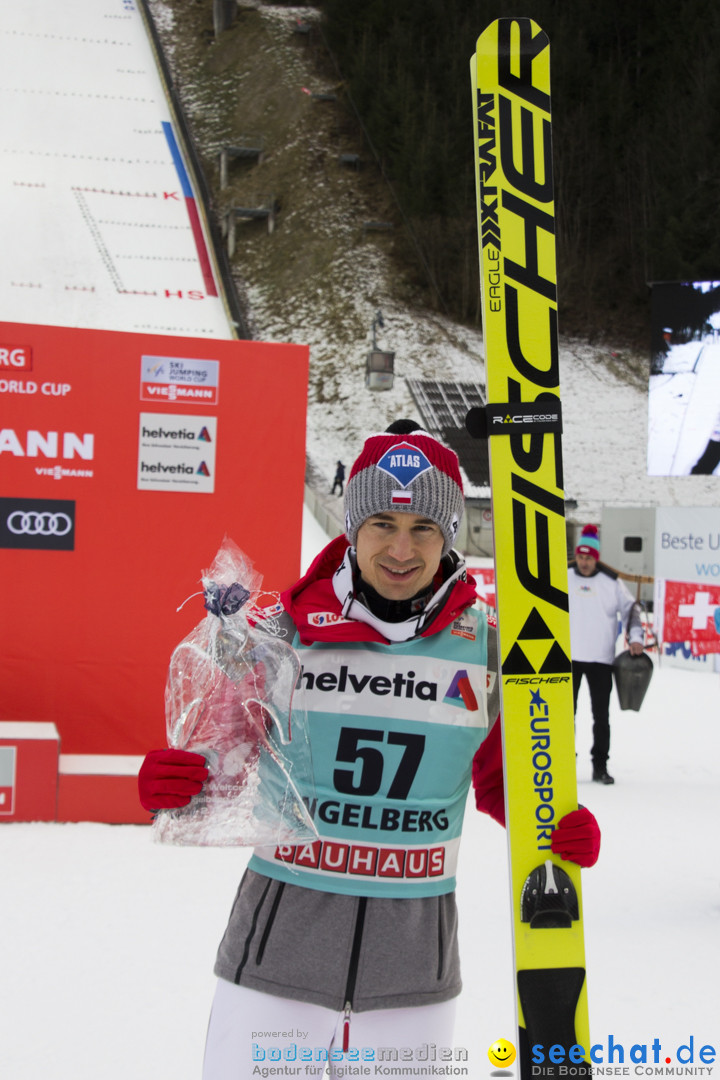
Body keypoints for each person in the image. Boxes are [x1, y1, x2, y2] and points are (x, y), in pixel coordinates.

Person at [139, 421, 601, 1079]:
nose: (402, 548)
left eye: (423, 528)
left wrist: (557, 827)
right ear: (351, 528)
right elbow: (227, 754)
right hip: (275, 960)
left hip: (412, 976)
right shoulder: (283, 634)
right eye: (382, 522)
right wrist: (177, 780)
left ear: (449, 538)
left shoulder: (488, 650)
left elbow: (508, 786)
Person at [568, 524, 644, 785]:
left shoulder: (612, 583)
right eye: (581, 556)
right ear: (576, 555)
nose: (584, 562)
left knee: (601, 716)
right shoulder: (563, 576)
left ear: (596, 558)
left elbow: (632, 611)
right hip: (569, 658)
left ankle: (600, 765)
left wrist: (636, 639)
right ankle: (565, 762)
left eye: (589, 557)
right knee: (567, 715)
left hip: (601, 660)